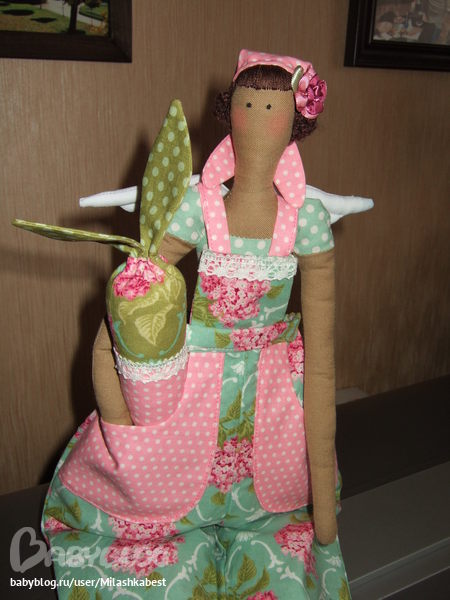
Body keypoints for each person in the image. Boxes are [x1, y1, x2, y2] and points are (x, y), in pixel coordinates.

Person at [41, 50, 351, 599]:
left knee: (280, 519)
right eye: (249, 106)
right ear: (231, 113)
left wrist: (323, 511)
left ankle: (269, 522)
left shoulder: (307, 221)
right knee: (154, 509)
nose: (259, 118)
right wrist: (119, 417)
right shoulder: (198, 208)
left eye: (272, 109)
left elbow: (322, 365)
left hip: (275, 393)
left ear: (295, 123)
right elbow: (134, 292)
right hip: (190, 387)